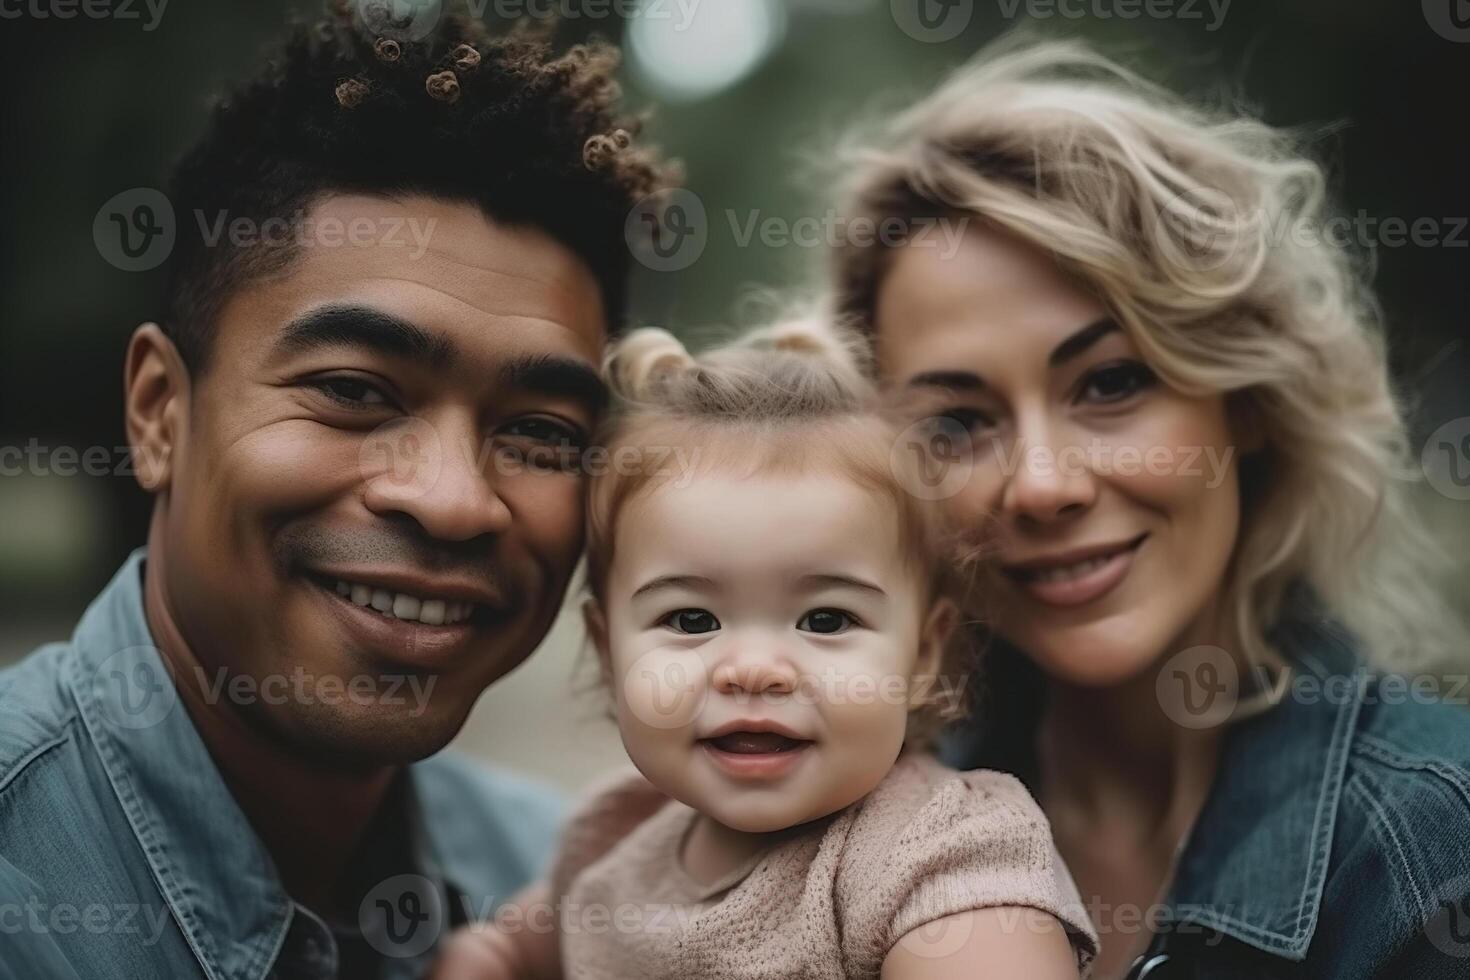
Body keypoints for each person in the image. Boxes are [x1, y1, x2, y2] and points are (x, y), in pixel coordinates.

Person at [0, 4, 672, 978]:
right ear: (157, 414)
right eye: (355, 391)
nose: (452, 500)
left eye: (538, 431)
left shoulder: (570, 896)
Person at [827, 37, 1470, 979]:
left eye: (1112, 382)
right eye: (956, 423)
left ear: (1245, 399)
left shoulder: (1432, 849)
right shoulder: (854, 830)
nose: (1042, 485)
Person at [429, 320, 1100, 978]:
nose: (754, 670)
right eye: (691, 619)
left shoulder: (939, 852)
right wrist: (483, 957)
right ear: (609, 653)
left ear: (922, 655)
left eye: (827, 620)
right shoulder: (619, 834)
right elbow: (520, 945)